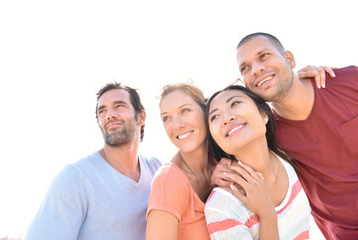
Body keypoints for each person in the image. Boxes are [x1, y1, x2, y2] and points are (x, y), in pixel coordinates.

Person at [214, 32, 358, 239]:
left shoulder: (348, 81)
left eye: (264, 56)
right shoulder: (268, 135)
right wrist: (218, 168)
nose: (256, 69)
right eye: (245, 68)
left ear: (289, 59)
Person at [25, 82, 161, 240]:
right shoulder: (75, 178)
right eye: (102, 111)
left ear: (141, 116)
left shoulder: (157, 170)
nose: (109, 114)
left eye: (119, 106)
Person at [205, 85, 311, 239]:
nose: (227, 118)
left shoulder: (287, 154)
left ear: (264, 115)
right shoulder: (222, 206)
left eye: (235, 103)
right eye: (215, 117)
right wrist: (267, 214)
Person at [146, 83, 216, 240]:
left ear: (206, 111)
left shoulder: (224, 162)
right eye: (166, 118)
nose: (177, 125)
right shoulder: (168, 181)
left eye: (185, 110)